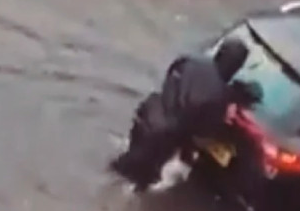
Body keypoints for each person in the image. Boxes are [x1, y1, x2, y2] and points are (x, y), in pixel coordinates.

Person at [110, 37, 262, 191]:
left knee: (122, 165)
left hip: (148, 112)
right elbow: (203, 133)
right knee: (136, 183)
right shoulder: (219, 96)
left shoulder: (190, 60)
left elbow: (170, 76)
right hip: (162, 137)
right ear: (236, 66)